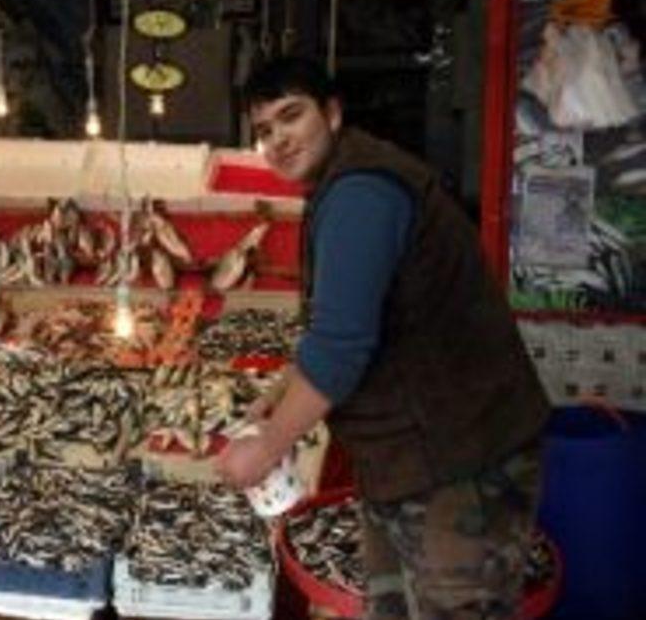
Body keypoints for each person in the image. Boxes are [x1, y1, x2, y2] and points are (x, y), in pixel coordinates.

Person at [216, 57, 550, 619]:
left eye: (291, 116)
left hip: (456, 463)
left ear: (333, 113)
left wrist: (268, 446)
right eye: (264, 130)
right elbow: (357, 320)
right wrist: (289, 384)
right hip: (412, 458)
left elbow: (341, 347)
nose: (278, 140)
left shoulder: (361, 194)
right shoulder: (348, 181)